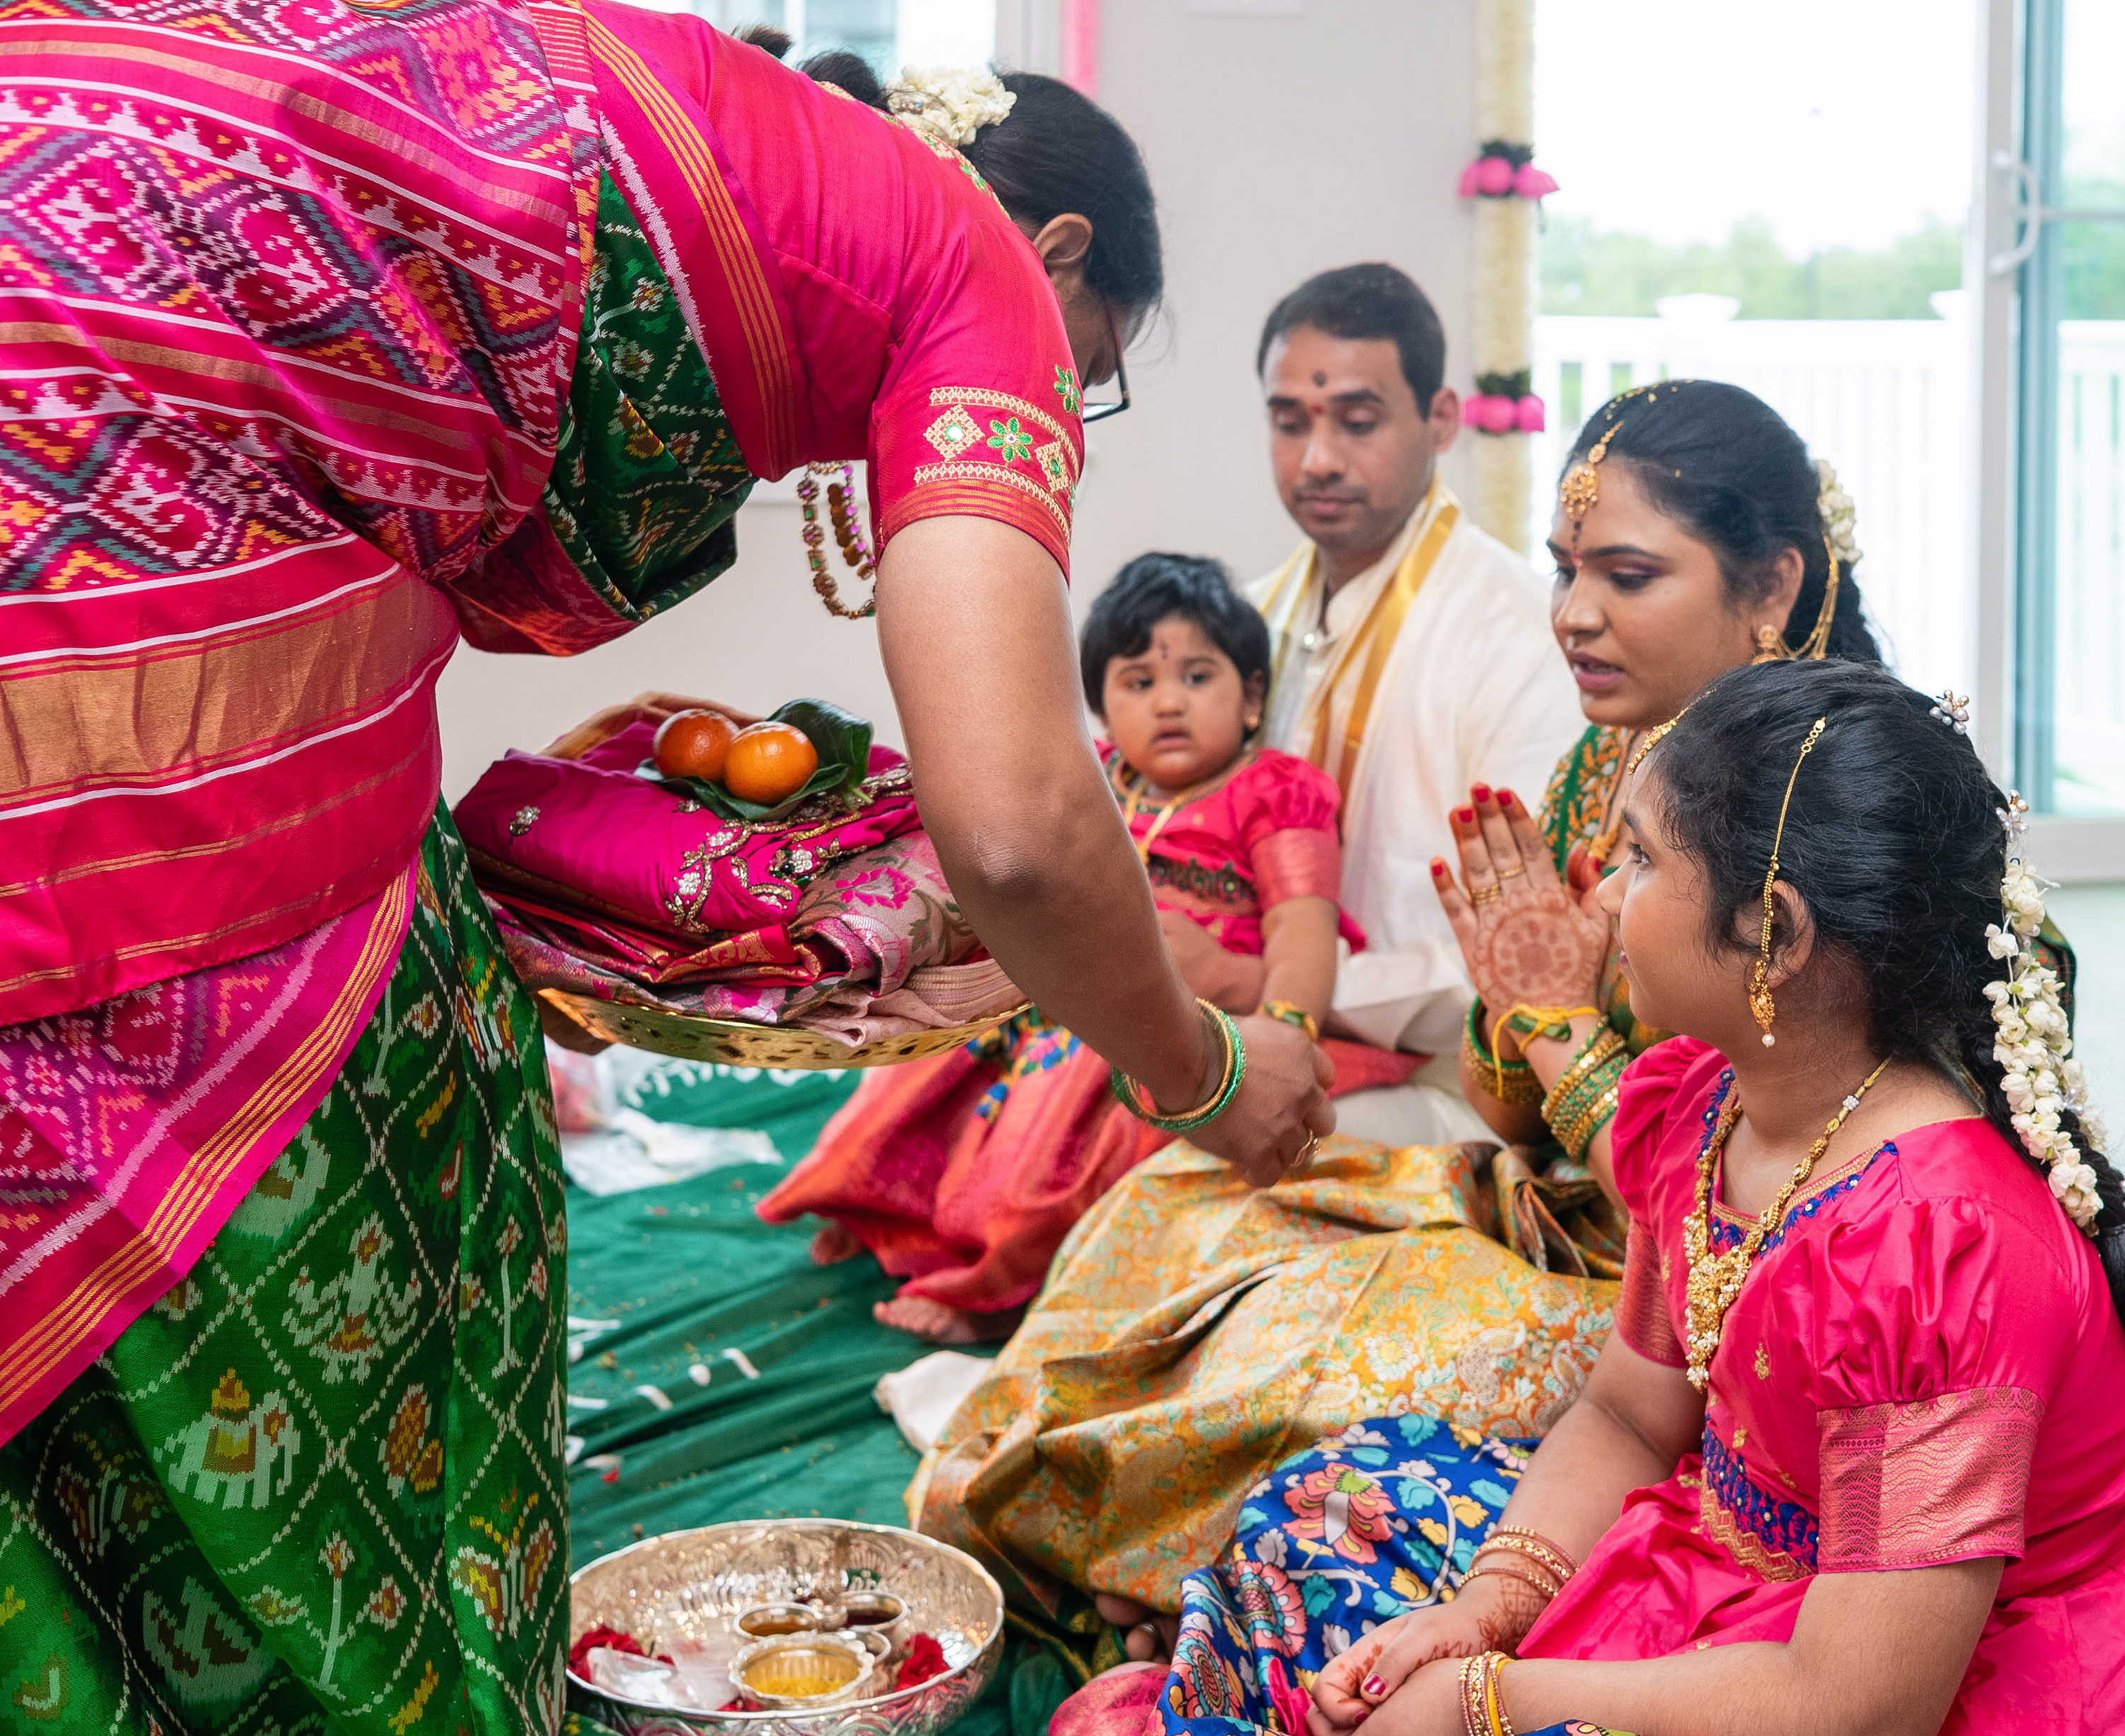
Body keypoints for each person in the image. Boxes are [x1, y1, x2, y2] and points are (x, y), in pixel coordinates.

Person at [0, 13, 1328, 1736]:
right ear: (1063, 254)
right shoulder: (976, 268)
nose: (1064, 406)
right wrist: (1199, 1073)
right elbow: (1021, 827)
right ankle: (384, 1735)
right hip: (106, 604)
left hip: (71, 231)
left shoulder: (735, 121)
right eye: (1087, 372)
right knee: (399, 1095)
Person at [1048, 660, 2125, 1736]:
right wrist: (1485, 1607)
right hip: (1755, 1578)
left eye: (1635, 861)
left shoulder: (1938, 1239)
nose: (1597, 898)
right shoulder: (1705, 1100)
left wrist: (1496, 1701)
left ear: (1769, 932)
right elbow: (1631, 1408)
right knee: (1319, 1508)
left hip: (1956, 1690)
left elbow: (1860, 1712)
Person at [906, 381, 1879, 1650]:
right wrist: (1516, 1012)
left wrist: (1557, 1026)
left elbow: (1778, 1229)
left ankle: (1181, 1571)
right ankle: (1148, 1549)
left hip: (1720, 1327)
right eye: (1564, 568)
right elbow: (1505, 1107)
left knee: (1341, 1358)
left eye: (1628, 575)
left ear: (1772, 585)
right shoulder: (1610, 763)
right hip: (1566, 1212)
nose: (1573, 614)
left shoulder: (1830, 821)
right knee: (1184, 1208)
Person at [756, 554, 1419, 1343]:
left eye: (1197, 677)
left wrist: (1282, 1034)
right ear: (1098, 708)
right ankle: (887, 1223)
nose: (1168, 702)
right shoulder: (1093, 778)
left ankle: (994, 1289)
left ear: (1251, 699)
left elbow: (1302, 929)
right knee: (912, 1082)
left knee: (1047, 1145)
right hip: (1054, 999)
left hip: (1174, 1024)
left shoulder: (1276, 791)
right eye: (1138, 682)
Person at [1175, 263, 1584, 1141]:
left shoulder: (1520, 640)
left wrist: (1257, 984)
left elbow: (1530, 956)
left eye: (1357, 422)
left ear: (1441, 420)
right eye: (1290, 422)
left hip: (1450, 1090)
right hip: (1236, 1040)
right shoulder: (1244, 626)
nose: (1319, 459)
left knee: (1175, 1166)